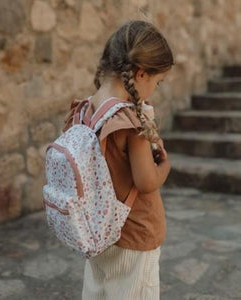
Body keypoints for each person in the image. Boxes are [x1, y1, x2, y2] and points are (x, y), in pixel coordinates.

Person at [63, 20, 174, 300]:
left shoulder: (84, 110)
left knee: (98, 291)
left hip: (98, 232)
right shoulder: (130, 121)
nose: (155, 89)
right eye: (157, 82)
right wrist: (165, 166)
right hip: (135, 236)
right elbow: (146, 181)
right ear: (140, 74)